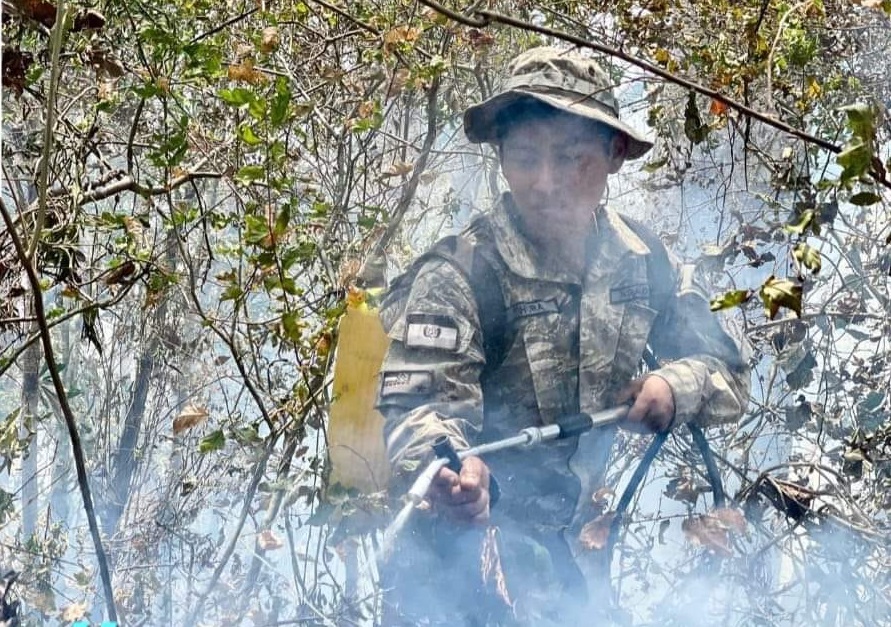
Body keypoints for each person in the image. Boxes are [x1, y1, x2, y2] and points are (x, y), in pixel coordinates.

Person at [375, 46, 750, 626]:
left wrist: (673, 386)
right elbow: (417, 410)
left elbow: (726, 367)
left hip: (572, 564)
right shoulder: (458, 275)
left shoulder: (644, 262)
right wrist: (453, 472)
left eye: (571, 156)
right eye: (524, 157)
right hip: (456, 570)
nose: (546, 182)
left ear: (614, 152)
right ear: (499, 156)